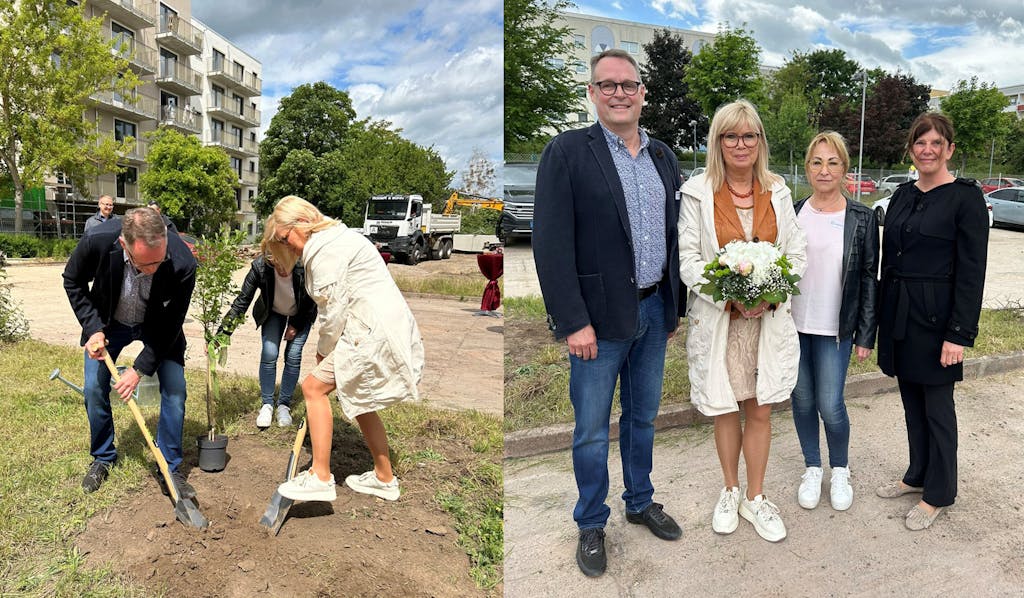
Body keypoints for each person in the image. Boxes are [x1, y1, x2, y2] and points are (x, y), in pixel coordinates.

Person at [532, 48, 685, 577]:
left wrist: (674, 308)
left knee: (643, 418)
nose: (619, 92)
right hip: (595, 325)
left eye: (629, 84)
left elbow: (673, 239)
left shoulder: (663, 157)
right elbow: (551, 246)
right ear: (593, 93)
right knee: (593, 430)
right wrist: (572, 321)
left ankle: (640, 502)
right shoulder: (568, 153)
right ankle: (592, 522)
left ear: (643, 93)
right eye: (608, 84)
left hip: (653, 311)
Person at [678, 99, 806, 543]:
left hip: (767, 323)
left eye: (749, 135)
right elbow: (689, 261)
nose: (740, 144)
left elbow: (796, 254)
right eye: (730, 136)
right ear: (717, 142)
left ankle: (755, 497)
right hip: (722, 324)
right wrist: (731, 296)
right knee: (726, 407)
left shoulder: (779, 191)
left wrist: (770, 294)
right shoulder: (697, 192)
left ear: (760, 142)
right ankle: (729, 489)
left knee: (761, 408)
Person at [267, 196, 423, 503]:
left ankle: (320, 477)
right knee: (360, 398)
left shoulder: (324, 249)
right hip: (376, 326)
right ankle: (384, 478)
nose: (289, 247)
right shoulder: (335, 237)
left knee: (313, 388)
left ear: (302, 222)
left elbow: (333, 311)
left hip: (369, 329)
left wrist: (324, 352)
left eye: (286, 238)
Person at [874, 113, 988, 530]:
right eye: (920, 142)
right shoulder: (903, 195)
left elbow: (972, 271)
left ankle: (940, 493)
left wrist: (958, 333)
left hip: (939, 321)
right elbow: (892, 259)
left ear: (949, 149)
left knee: (938, 408)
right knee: (911, 403)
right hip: (901, 316)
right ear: (911, 149)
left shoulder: (966, 198)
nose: (927, 149)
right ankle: (917, 475)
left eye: (936, 143)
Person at [62, 207, 197, 496]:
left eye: (159, 262)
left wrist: (139, 370)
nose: (153, 270)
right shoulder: (98, 240)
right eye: (145, 264)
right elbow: (72, 280)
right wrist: (93, 327)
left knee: (175, 389)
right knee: (93, 388)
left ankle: (169, 467)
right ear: (124, 245)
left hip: (158, 327)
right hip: (109, 324)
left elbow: (173, 321)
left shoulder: (182, 261)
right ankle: (103, 457)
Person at [790, 131, 879, 512]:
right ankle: (813, 467)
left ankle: (839, 468)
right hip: (792, 327)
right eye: (817, 162)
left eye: (833, 162)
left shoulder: (861, 217)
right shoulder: (792, 212)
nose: (824, 170)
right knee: (802, 400)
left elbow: (869, 277)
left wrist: (866, 334)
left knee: (830, 404)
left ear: (845, 169)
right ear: (807, 167)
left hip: (835, 331)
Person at [216, 226, 317, 428]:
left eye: (282, 262)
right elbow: (242, 302)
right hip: (273, 312)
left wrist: (295, 325)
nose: (279, 267)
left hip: (302, 314)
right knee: (269, 353)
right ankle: (267, 404)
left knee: (294, 355)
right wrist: (221, 335)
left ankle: (284, 405)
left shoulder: (303, 266)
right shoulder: (259, 267)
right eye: (274, 262)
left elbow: (310, 300)